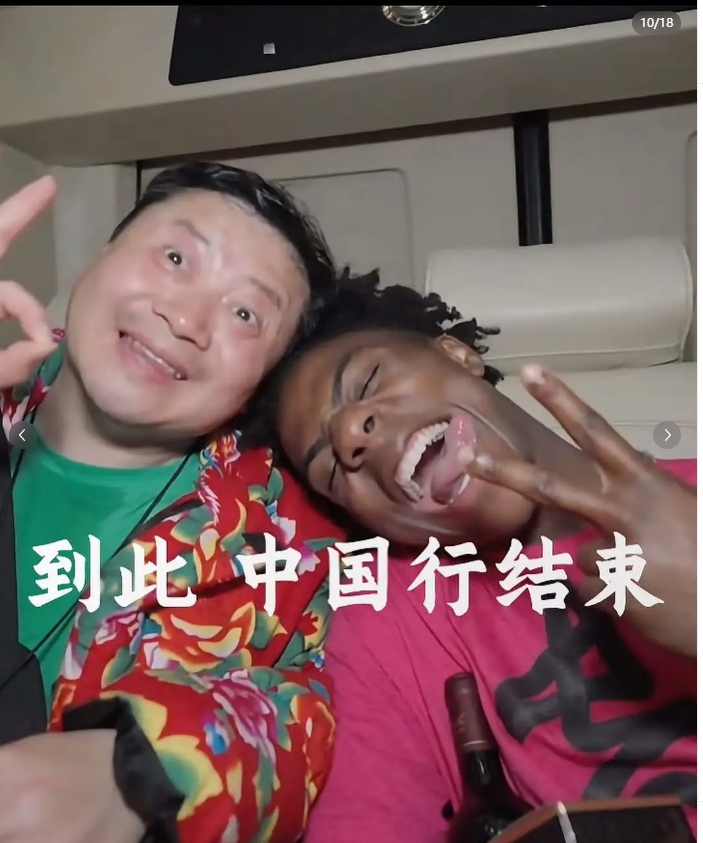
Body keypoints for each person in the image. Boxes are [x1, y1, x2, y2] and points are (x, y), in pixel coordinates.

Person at [267, 271, 697, 842]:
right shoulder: (390, 624)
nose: (351, 433)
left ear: (458, 355)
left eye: (368, 379)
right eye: (331, 469)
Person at [0, 160, 349, 843]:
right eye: (175, 258)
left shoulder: (286, 551)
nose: (186, 319)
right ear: (97, 258)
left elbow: (302, 720)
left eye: (245, 314)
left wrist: (133, 773)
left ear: (260, 385)